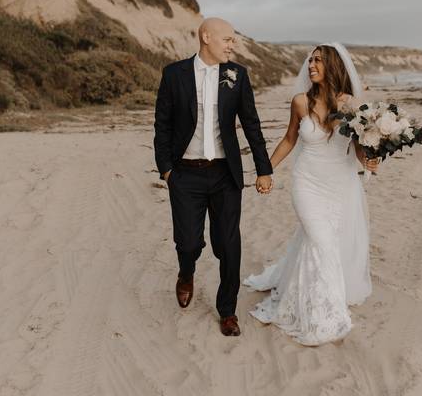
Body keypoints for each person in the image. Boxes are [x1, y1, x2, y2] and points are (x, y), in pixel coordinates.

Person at [244, 43, 378, 345]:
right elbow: (290, 139)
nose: (311, 65)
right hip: (307, 182)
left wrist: (371, 160)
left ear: (333, 66)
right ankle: (328, 315)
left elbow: (359, 149)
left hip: (340, 184)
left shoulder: (351, 106)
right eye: (310, 61)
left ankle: (299, 286)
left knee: (322, 242)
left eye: (318, 61)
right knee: (321, 240)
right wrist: (266, 170)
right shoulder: (300, 102)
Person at [153, 17, 273, 337]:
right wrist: (166, 169)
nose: (232, 45)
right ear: (206, 37)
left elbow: (251, 125)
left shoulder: (238, 75)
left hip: (225, 174)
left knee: (228, 245)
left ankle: (228, 311)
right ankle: (186, 271)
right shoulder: (174, 74)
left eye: (233, 40)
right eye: (227, 39)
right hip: (185, 175)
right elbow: (162, 125)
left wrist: (263, 169)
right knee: (189, 242)